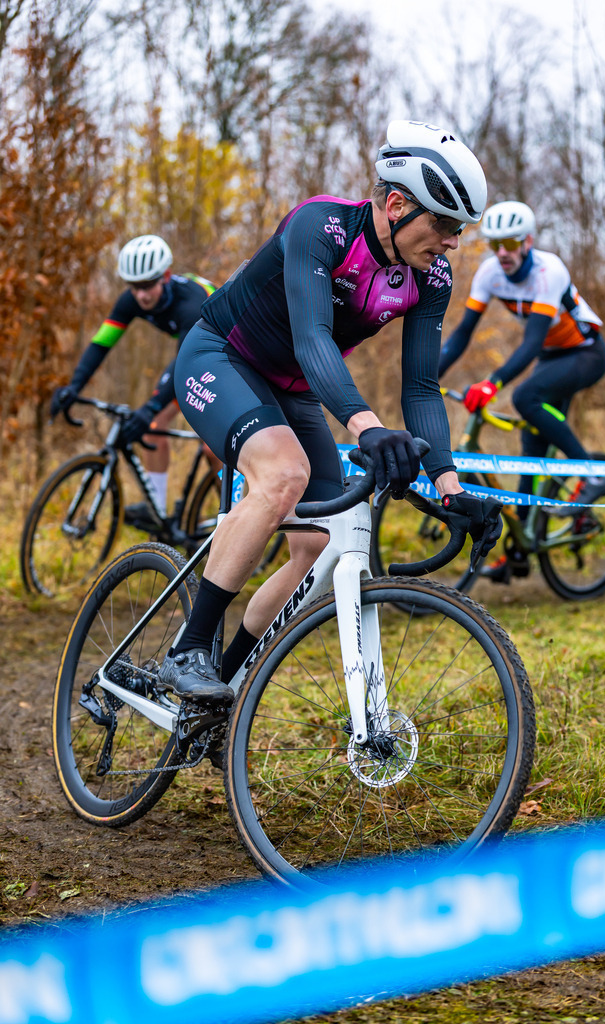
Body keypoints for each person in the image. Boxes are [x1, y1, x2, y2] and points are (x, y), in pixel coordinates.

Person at [158, 118, 502, 704]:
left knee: (314, 547)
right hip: (220, 355)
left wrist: (450, 487)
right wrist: (366, 427)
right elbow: (313, 336)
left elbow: (420, 387)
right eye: (445, 224)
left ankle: (224, 685)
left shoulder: (430, 277)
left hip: (291, 389)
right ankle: (188, 649)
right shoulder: (321, 226)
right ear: (396, 204)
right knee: (285, 475)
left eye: (459, 229)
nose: (452, 241)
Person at [438, 200, 605, 584]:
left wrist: (492, 382)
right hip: (552, 357)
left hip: (586, 352)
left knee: (524, 398)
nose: (503, 253)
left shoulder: (550, 271)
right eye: (495, 243)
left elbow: (531, 342)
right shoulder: (489, 273)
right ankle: (520, 551)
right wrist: (427, 375)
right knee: (532, 450)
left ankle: (592, 474)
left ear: (528, 241)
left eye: (511, 244)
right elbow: (463, 332)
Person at [49, 235, 216, 524]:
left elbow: (187, 364)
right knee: (152, 427)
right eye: (134, 287)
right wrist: (74, 386)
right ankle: (158, 513)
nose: (141, 295)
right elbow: (101, 344)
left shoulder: (191, 302)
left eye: (148, 285)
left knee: (213, 447)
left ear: (165, 276)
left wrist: (151, 406)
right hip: (194, 353)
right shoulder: (131, 301)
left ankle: (237, 518)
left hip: (228, 350)